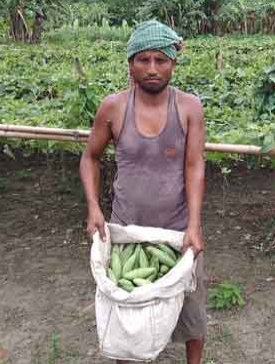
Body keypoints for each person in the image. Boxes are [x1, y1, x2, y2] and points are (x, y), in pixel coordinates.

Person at [79, 20, 207, 364]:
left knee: (192, 318)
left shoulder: (189, 107)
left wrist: (194, 225)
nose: (152, 69)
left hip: (177, 230)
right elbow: (90, 157)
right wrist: (93, 207)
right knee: (128, 318)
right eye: (143, 60)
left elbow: (195, 166)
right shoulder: (114, 107)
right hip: (127, 232)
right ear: (130, 64)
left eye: (161, 60)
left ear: (173, 65)